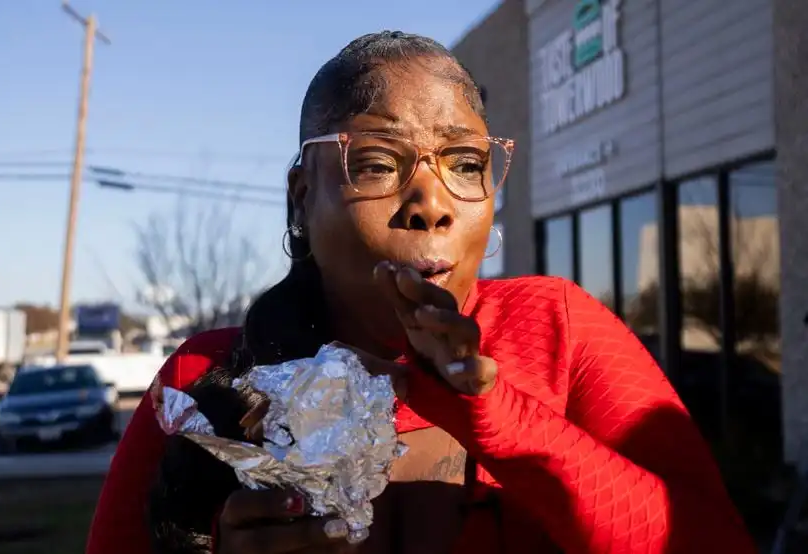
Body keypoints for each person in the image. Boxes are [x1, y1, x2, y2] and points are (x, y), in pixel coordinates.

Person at [86, 31, 757, 554]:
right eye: (378, 164)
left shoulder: (558, 329)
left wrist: (492, 411)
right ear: (301, 199)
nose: (431, 204)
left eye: (466, 164)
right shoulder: (203, 381)